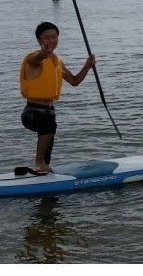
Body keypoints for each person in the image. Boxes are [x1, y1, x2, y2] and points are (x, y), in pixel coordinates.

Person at [19, 22, 96, 173]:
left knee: (50, 132)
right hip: (33, 113)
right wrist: (44, 53)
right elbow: (36, 58)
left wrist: (87, 66)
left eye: (54, 37)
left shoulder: (57, 62)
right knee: (48, 127)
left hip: (48, 112)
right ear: (39, 40)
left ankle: (43, 169)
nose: (51, 40)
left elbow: (75, 81)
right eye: (46, 38)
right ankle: (39, 163)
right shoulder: (33, 59)